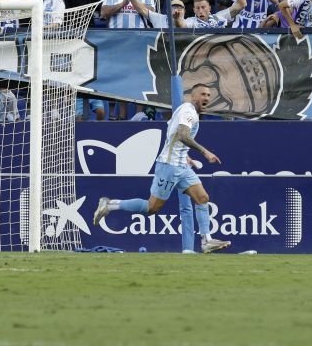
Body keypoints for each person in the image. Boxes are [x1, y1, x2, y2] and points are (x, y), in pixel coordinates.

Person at [93, 84, 231, 254]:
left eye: (209, 95)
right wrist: (205, 152)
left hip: (181, 165)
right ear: (193, 96)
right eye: (203, 94)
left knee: (202, 198)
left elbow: (172, 133)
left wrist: (186, 157)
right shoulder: (188, 111)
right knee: (152, 208)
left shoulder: (186, 112)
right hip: (169, 166)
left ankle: (206, 241)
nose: (206, 98)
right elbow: (182, 135)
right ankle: (110, 205)